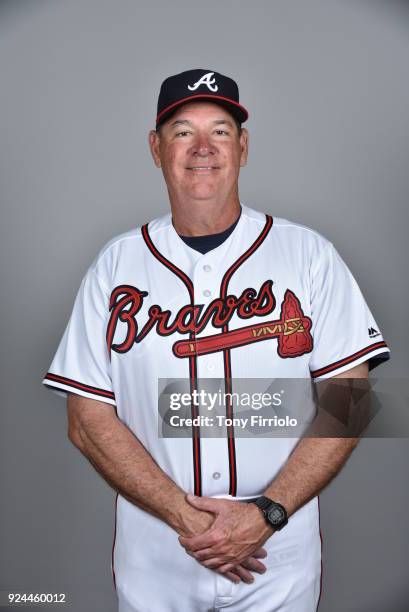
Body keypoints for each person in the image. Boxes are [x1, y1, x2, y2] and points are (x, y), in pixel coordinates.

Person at [42, 69, 390, 612]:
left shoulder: (308, 255)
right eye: (182, 131)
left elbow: (351, 397)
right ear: (156, 149)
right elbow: (87, 419)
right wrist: (184, 515)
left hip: (277, 549)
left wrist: (267, 512)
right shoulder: (116, 266)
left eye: (220, 131)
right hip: (159, 549)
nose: (202, 147)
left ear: (243, 147)